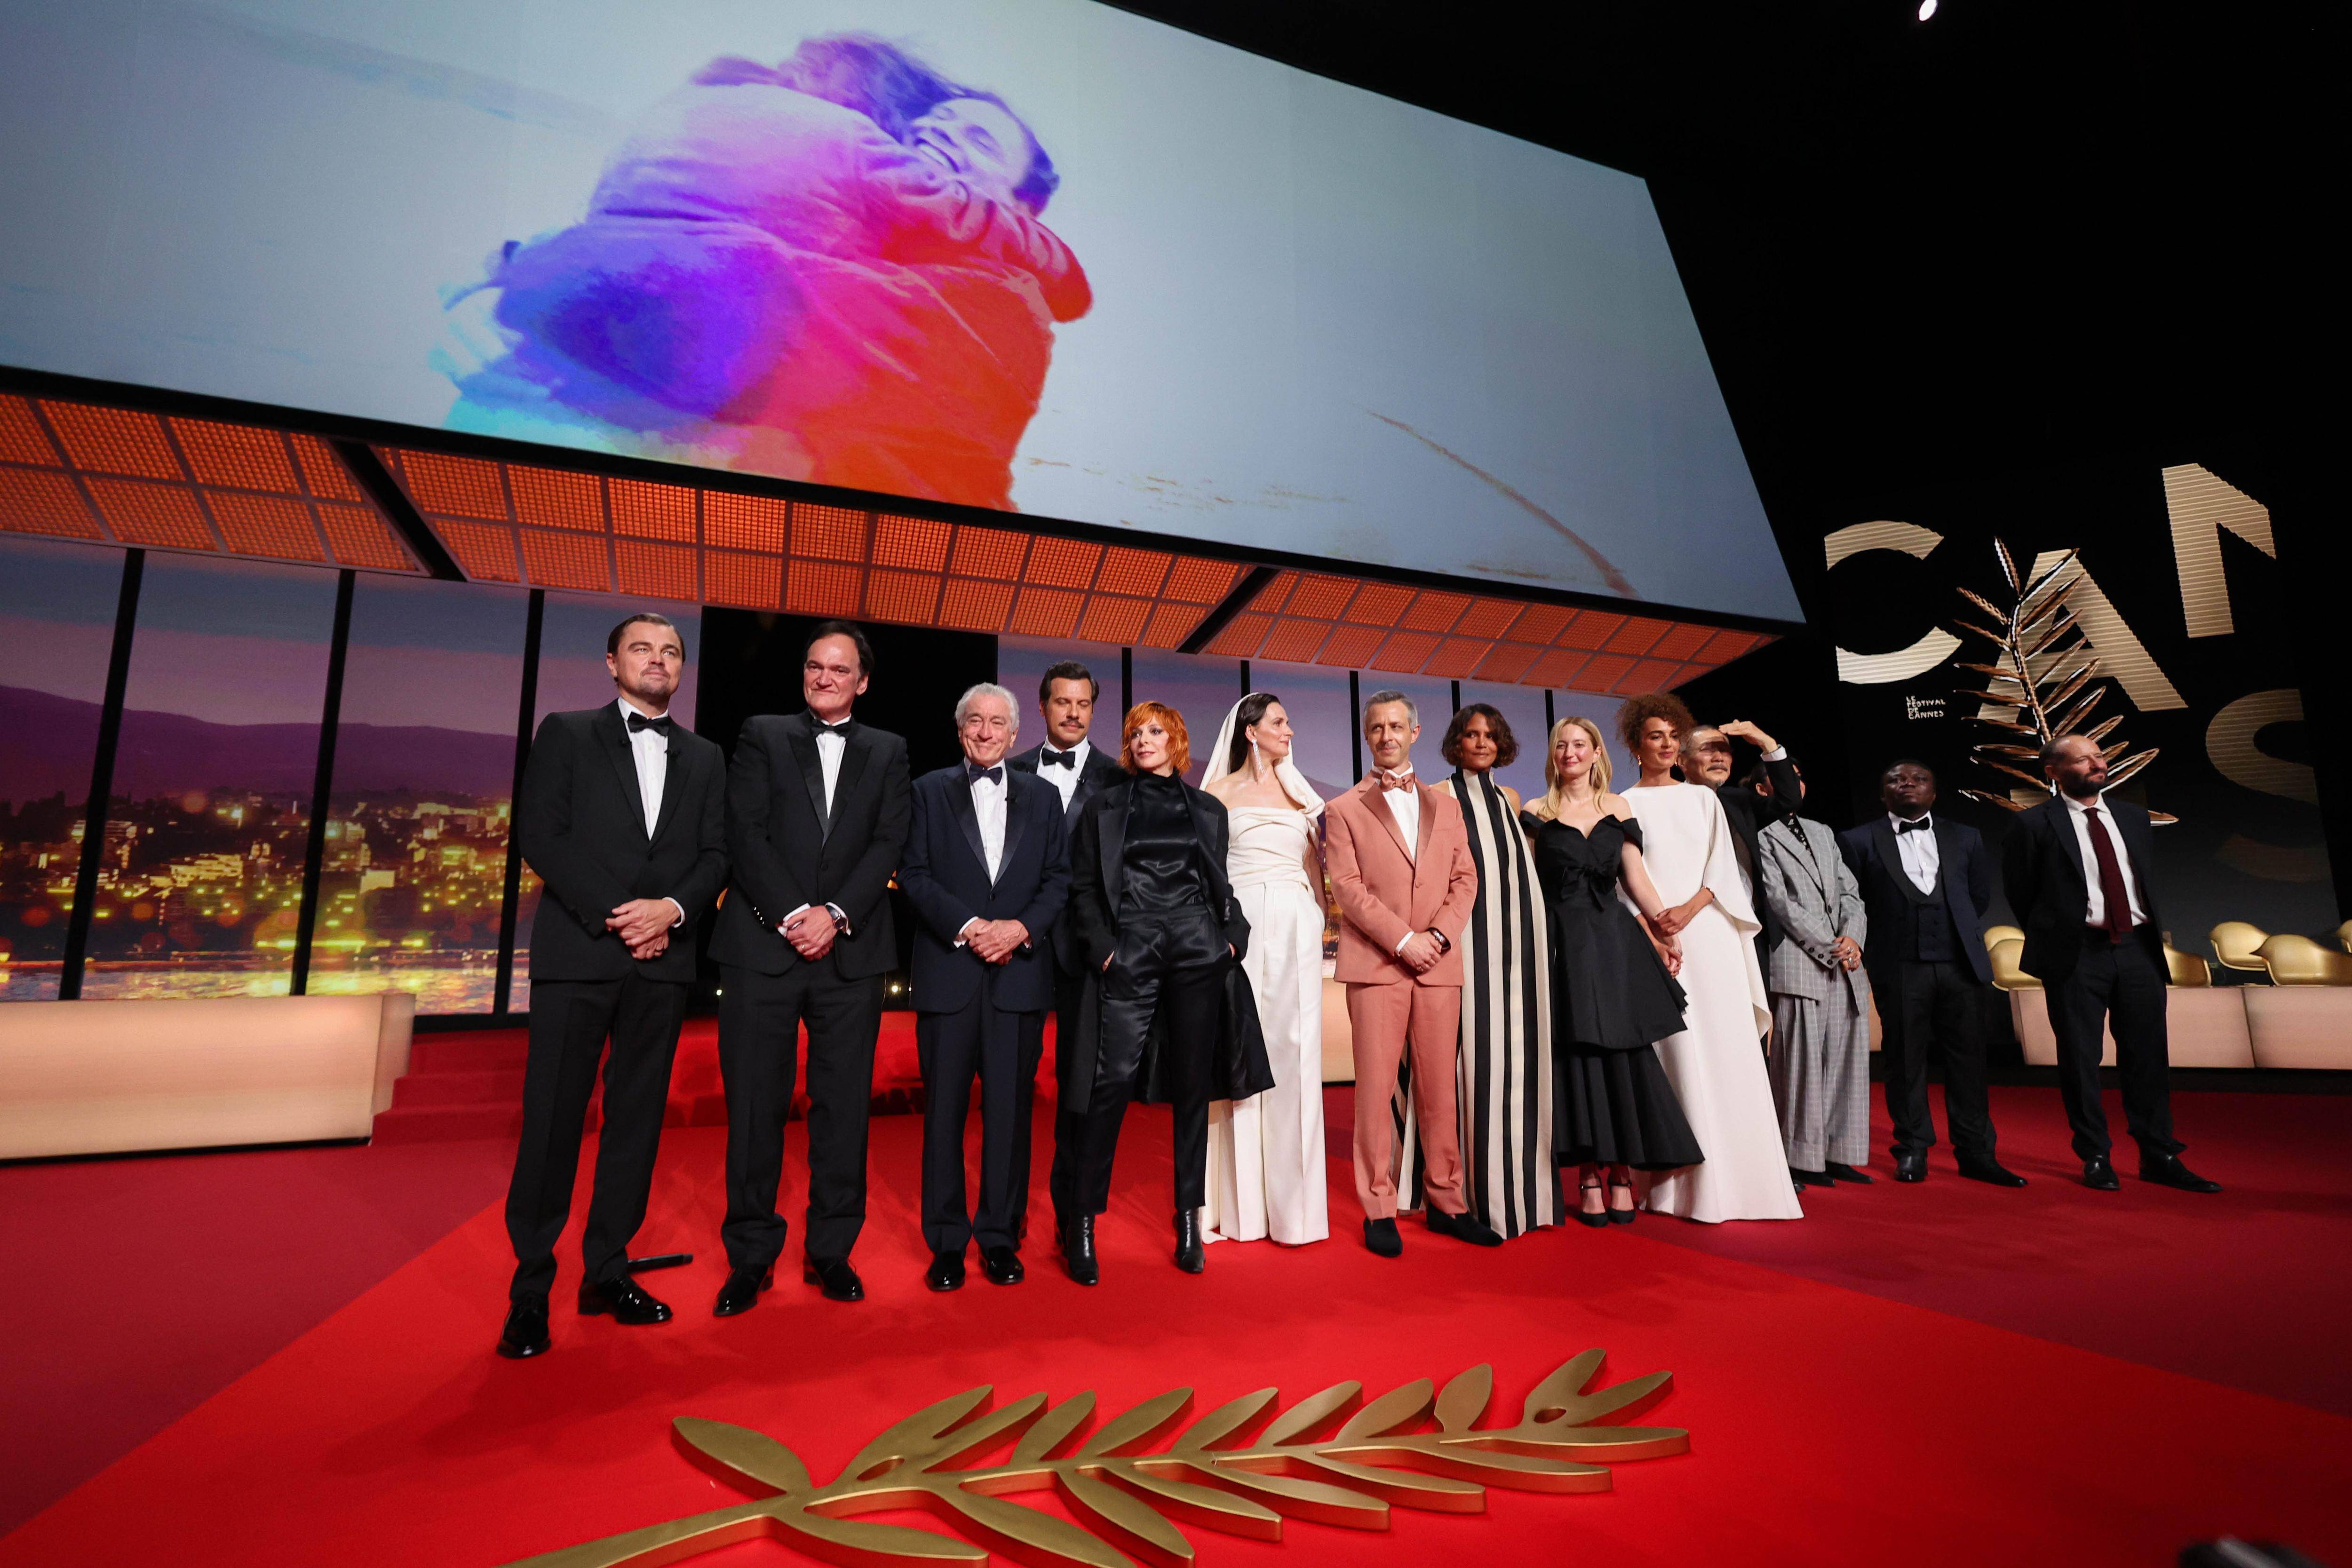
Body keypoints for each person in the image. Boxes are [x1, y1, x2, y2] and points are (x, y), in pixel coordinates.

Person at [440, 35, 1090, 509]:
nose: (941, 138)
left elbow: (734, 300)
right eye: (931, 124)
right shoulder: (868, 241)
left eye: (980, 143)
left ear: (1021, 208)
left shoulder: (1005, 304)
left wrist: (526, 270)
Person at [497, 614, 728, 1360]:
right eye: (642, 649)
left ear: (681, 669)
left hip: (663, 964)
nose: (657, 661)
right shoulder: (565, 733)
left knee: (635, 1125)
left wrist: (674, 910)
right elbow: (542, 835)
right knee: (553, 1123)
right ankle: (530, 1289)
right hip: (581, 956)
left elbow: (715, 853)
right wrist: (623, 916)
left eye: (670, 652)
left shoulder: (706, 755)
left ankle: (607, 1270)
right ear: (610, 662)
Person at [708, 621, 911, 1312]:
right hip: (763, 947)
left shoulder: (889, 750)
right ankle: (750, 1256)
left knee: (843, 1110)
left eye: (839, 669)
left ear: (863, 681)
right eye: (814, 666)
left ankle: (832, 1251)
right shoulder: (763, 734)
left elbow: (889, 841)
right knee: (755, 1108)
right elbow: (744, 830)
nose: (824, 677)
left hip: (850, 954)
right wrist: (795, 912)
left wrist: (836, 914)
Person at [1059, 703, 1270, 1282]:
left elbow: (1218, 884)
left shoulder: (1206, 808)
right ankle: (1081, 1224)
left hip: (1196, 950)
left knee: (1192, 1093)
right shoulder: (1103, 805)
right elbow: (1082, 888)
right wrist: (1104, 949)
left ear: (1175, 740)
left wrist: (1231, 938)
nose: (1142, 740)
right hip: (1129, 952)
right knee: (1109, 1084)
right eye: (1134, 733)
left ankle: (1187, 1224)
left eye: (1154, 731)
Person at [897, 683, 1072, 1292]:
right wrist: (971, 928)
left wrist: (1019, 929)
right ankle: (945, 1242)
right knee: (942, 1117)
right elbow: (913, 873)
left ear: (1016, 733)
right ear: (960, 729)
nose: (986, 731)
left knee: (1010, 1118)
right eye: (975, 720)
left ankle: (1000, 1238)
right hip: (950, 976)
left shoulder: (1046, 799)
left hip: (1018, 979)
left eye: (998, 722)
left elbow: (1058, 879)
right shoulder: (926, 792)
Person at [1324, 691, 1502, 1256]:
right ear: (1366, 734)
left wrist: (1439, 939)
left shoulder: (1446, 807)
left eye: (1395, 726)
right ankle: (1377, 1209)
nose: (1385, 736)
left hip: (1438, 964)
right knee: (1374, 1095)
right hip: (1378, 967)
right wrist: (1404, 941)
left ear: (1415, 732)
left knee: (1438, 1093)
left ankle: (1447, 1203)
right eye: (1376, 727)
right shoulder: (1343, 808)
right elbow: (1347, 890)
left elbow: (1465, 881)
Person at [2003, 735, 2221, 1194]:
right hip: (2077, 953)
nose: (2096, 764)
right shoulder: (2032, 825)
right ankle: (2095, 1156)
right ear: (2053, 772)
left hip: (2137, 950)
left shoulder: (2131, 817)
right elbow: (2021, 893)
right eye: (2082, 759)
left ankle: (2157, 1153)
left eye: (2098, 756)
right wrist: (2062, 936)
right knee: (2080, 1059)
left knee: (2147, 1057)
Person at [1617, 693, 1803, 1223]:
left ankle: (1745, 1181)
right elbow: (1622, 874)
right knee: (1672, 1053)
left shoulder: (1703, 799)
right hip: (1656, 940)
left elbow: (1723, 870)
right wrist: (1656, 923)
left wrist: (1686, 911)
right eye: (1655, 736)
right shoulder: (1622, 802)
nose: (1666, 745)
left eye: (1672, 737)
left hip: (1709, 934)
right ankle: (1676, 1188)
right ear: (1635, 745)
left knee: (1725, 1049)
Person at [1522, 716, 1700, 1228]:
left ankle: (1622, 1171)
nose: (1570, 752)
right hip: (1560, 946)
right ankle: (1586, 1176)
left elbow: (1635, 880)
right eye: (1561, 745)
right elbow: (1528, 889)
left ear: (1597, 753)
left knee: (1623, 1054)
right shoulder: (1535, 812)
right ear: (1553, 755)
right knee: (1572, 1059)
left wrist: (1665, 928)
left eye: (1579, 744)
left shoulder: (1617, 808)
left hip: (1614, 941)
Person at [1403, 704, 1560, 1238]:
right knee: (1469, 1054)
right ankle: (1461, 1188)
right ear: (1455, 742)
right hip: (1467, 934)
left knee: (1517, 1054)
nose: (1481, 742)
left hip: (1519, 933)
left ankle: (1521, 1185)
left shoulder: (1511, 799)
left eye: (1491, 735)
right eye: (1471, 735)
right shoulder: (1437, 796)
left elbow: (1519, 869)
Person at [1836, 760, 2023, 1186]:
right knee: (1905, 1062)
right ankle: (1912, 1149)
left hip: (1961, 965)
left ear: (1933, 792)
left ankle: (1976, 1152)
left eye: (1918, 778)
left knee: (1970, 1062)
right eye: (1895, 779)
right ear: (1883, 793)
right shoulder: (1857, 840)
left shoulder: (1966, 836)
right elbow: (1854, 901)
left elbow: (1976, 897)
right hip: (1898, 966)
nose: (1907, 784)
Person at [1199, 692, 1330, 1246]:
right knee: (1239, 1052)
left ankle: (1295, 1212)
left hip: (1298, 925)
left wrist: (1319, 922)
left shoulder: (1301, 793)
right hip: (1241, 930)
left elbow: (1313, 867)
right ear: (1250, 731)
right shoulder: (1216, 794)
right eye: (1279, 722)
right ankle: (1240, 1208)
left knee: (1297, 1057)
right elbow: (1205, 874)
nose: (1289, 731)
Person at [1007, 659, 1127, 1240]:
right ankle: (1004, 1220)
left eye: (1083, 704)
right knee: (1011, 1088)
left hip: (1088, 953)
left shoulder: (1120, 778)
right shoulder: (1008, 772)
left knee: (1082, 1094)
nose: (1074, 713)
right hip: (1020, 949)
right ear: (1043, 707)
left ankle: (1073, 1216)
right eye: (1063, 703)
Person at [1750, 760, 1874, 1188]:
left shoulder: (1822, 831)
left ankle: (1838, 1153)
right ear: (1764, 789)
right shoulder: (1762, 836)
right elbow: (1778, 902)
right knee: (1799, 1066)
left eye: (1801, 776)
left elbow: (1850, 892)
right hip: (1801, 962)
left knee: (1847, 1062)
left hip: (1846, 963)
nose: (1797, 783)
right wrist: (1830, 944)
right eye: (1787, 778)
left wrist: (1853, 938)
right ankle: (1799, 1159)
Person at [1684, 720, 1800, 971]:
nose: (1718, 757)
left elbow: (1790, 799)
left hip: (1751, 927)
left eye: (1724, 750)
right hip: (1696, 928)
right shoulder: (1672, 805)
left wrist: (1766, 743)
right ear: (1681, 761)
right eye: (1707, 749)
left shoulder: (1741, 801)